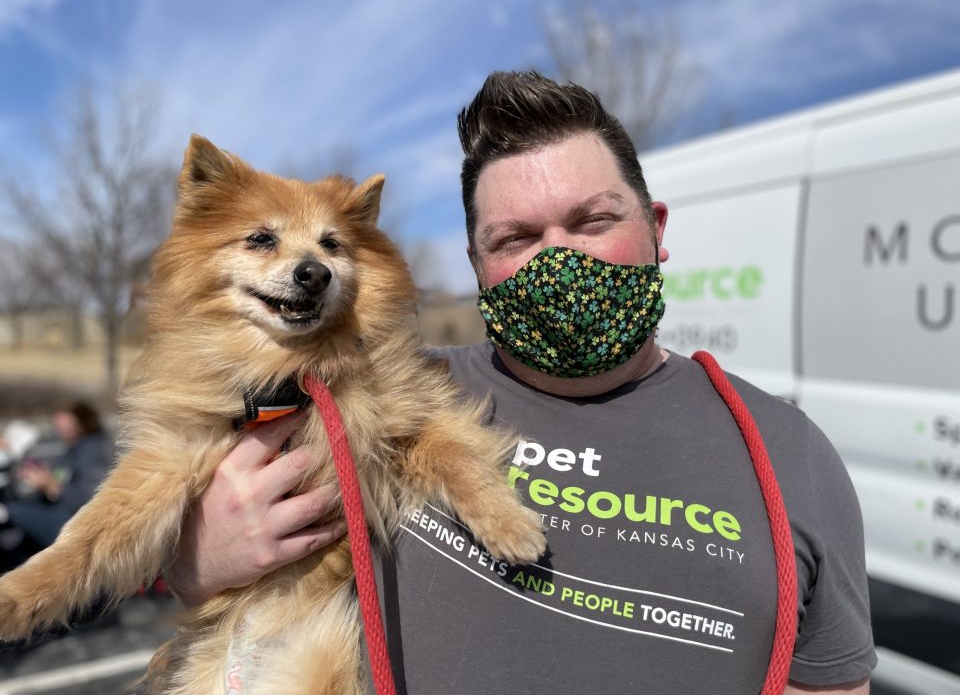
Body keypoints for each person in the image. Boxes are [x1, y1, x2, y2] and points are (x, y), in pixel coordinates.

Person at [165, 71, 875, 693]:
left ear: (656, 230)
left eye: (593, 220)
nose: (559, 258)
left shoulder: (788, 454)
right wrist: (197, 560)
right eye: (516, 239)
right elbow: (200, 525)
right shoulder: (387, 401)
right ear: (477, 263)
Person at [0, 401, 114, 563]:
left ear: (82, 422)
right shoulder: (74, 449)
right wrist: (43, 483)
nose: (61, 431)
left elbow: (89, 500)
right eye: (58, 426)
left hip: (79, 525)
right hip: (65, 515)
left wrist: (52, 487)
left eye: (67, 426)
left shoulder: (94, 451)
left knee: (12, 512)